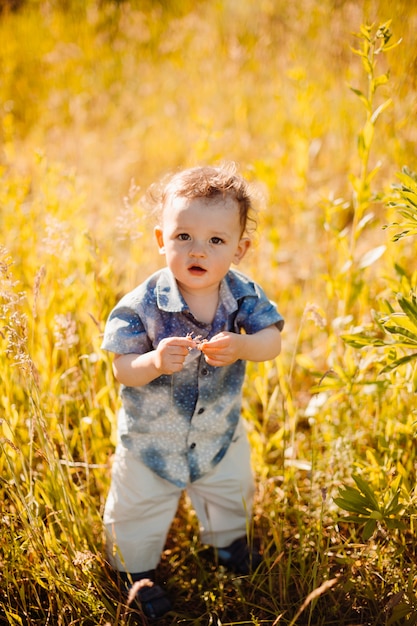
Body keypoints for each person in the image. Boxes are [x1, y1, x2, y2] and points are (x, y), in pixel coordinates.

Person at [101, 163, 284, 618]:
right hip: (151, 439)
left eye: (216, 240)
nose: (197, 250)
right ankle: (133, 573)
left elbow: (272, 341)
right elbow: (123, 369)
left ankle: (229, 547)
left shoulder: (244, 296)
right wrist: (154, 361)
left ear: (239, 249)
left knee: (231, 491)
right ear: (162, 239)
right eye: (183, 237)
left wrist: (243, 344)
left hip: (219, 431)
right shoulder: (139, 305)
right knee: (136, 507)